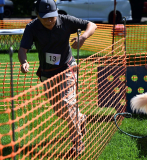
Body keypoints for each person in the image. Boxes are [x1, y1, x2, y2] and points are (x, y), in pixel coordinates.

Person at [18, 0, 97, 157]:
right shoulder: (32, 27)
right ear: (38, 16)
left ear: (56, 13)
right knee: (60, 111)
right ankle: (80, 119)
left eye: (52, 17)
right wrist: (23, 61)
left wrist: (83, 37)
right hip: (47, 73)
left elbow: (92, 25)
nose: (49, 20)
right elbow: (22, 49)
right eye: (45, 17)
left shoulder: (66, 21)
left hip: (67, 68)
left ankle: (77, 143)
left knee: (67, 105)